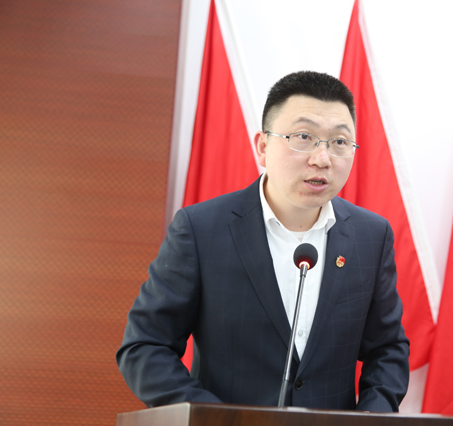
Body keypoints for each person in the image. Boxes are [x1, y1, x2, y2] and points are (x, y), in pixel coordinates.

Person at [116, 71, 410, 412]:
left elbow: (387, 350)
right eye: (304, 137)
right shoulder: (201, 229)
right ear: (263, 147)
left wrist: (369, 420)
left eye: (340, 142)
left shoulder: (371, 235)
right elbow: (145, 347)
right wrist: (217, 420)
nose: (322, 158)